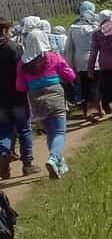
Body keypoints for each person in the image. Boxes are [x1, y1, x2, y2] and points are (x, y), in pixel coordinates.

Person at [17, 29, 75, 179]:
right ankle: (54, 158)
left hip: (35, 98)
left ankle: (59, 164)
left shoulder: (22, 63)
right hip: (55, 94)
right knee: (60, 131)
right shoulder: (53, 57)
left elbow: (20, 87)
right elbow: (70, 75)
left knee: (50, 132)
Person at [0, 18, 35, 178]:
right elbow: (23, 70)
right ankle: (27, 165)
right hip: (17, 95)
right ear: (5, 30)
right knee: (25, 130)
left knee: (4, 130)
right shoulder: (13, 48)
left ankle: (3, 155)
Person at [65, 2, 101, 120]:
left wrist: (70, 64)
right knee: (96, 85)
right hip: (95, 60)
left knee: (85, 86)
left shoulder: (73, 27)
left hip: (80, 61)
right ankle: (97, 110)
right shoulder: (96, 26)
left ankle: (88, 111)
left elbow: (69, 48)